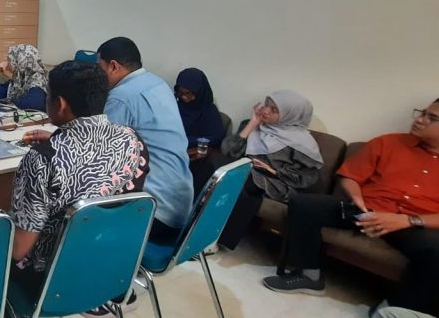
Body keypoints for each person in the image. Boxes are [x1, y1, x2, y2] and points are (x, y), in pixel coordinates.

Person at [0, 61, 149, 316]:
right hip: (111, 264)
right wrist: (57, 141)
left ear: (59, 104)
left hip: (49, 279)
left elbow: (17, 249)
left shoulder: (42, 159)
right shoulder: (132, 139)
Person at [262, 99, 439, 317]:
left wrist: (408, 220)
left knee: (436, 251)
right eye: (422, 113)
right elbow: (349, 176)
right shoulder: (388, 142)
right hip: (366, 209)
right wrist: (357, 198)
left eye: (432, 118)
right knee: (304, 204)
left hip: (412, 223)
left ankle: (397, 309)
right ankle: (308, 275)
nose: (420, 120)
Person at [96, 37, 193, 242]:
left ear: (113, 66)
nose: (98, 75)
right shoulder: (158, 83)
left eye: (100, 68)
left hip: (152, 212)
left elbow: (100, 153)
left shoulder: (121, 96)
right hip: (181, 206)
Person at [212, 90, 324, 250]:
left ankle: (215, 238)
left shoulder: (302, 143)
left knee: (235, 181)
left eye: (274, 110)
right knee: (214, 165)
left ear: (289, 115)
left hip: (275, 182)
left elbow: (307, 179)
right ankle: (198, 228)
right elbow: (228, 152)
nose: (265, 111)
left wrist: (272, 170)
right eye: (266, 105)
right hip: (245, 171)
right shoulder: (254, 126)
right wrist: (252, 123)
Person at [174, 68, 227, 148]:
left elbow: (217, 138)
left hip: (198, 152)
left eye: (188, 93)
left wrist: (187, 140)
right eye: (181, 92)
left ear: (199, 91)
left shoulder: (209, 110)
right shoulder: (175, 105)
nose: (184, 97)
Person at [0, 44, 48, 111]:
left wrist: (12, 100)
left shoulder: (38, 81)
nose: (7, 63)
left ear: (19, 62)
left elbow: (33, 105)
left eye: (10, 60)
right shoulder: (19, 80)